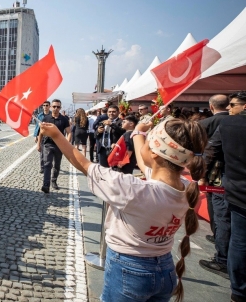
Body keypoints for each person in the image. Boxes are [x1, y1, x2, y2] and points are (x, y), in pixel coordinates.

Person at [41, 117, 205, 301]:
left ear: (155, 153)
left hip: (129, 269)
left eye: (149, 141)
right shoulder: (187, 189)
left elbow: (84, 164)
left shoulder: (134, 189)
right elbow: (148, 165)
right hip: (166, 270)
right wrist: (139, 133)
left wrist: (56, 135)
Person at [203, 91, 246, 300]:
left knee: (238, 238)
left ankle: (238, 287)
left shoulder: (228, 125)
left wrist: (201, 175)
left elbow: (210, 151)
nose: (230, 109)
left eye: (234, 105)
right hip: (234, 187)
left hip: (234, 187)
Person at [198, 94, 230, 245]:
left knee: (216, 208)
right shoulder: (235, 121)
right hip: (231, 168)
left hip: (213, 170)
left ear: (211, 106)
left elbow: (203, 149)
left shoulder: (205, 123)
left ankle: (219, 237)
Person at [36, 99, 70, 193]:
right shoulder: (46, 118)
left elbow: (69, 132)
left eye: (58, 107)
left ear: (60, 108)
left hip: (59, 145)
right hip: (47, 144)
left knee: (57, 165)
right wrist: (39, 144)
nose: (56, 108)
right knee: (47, 164)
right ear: (51, 107)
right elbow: (41, 133)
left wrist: (66, 143)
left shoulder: (64, 119)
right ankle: (46, 185)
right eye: (54, 106)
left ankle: (54, 181)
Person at [33, 101, 50, 174]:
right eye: (44, 105)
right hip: (41, 136)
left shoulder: (51, 115)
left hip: (50, 136)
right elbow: (37, 126)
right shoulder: (40, 115)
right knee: (42, 153)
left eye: (47, 105)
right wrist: (35, 136)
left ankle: (49, 165)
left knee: (49, 153)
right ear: (42, 106)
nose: (45, 107)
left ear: (49, 106)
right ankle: (42, 167)